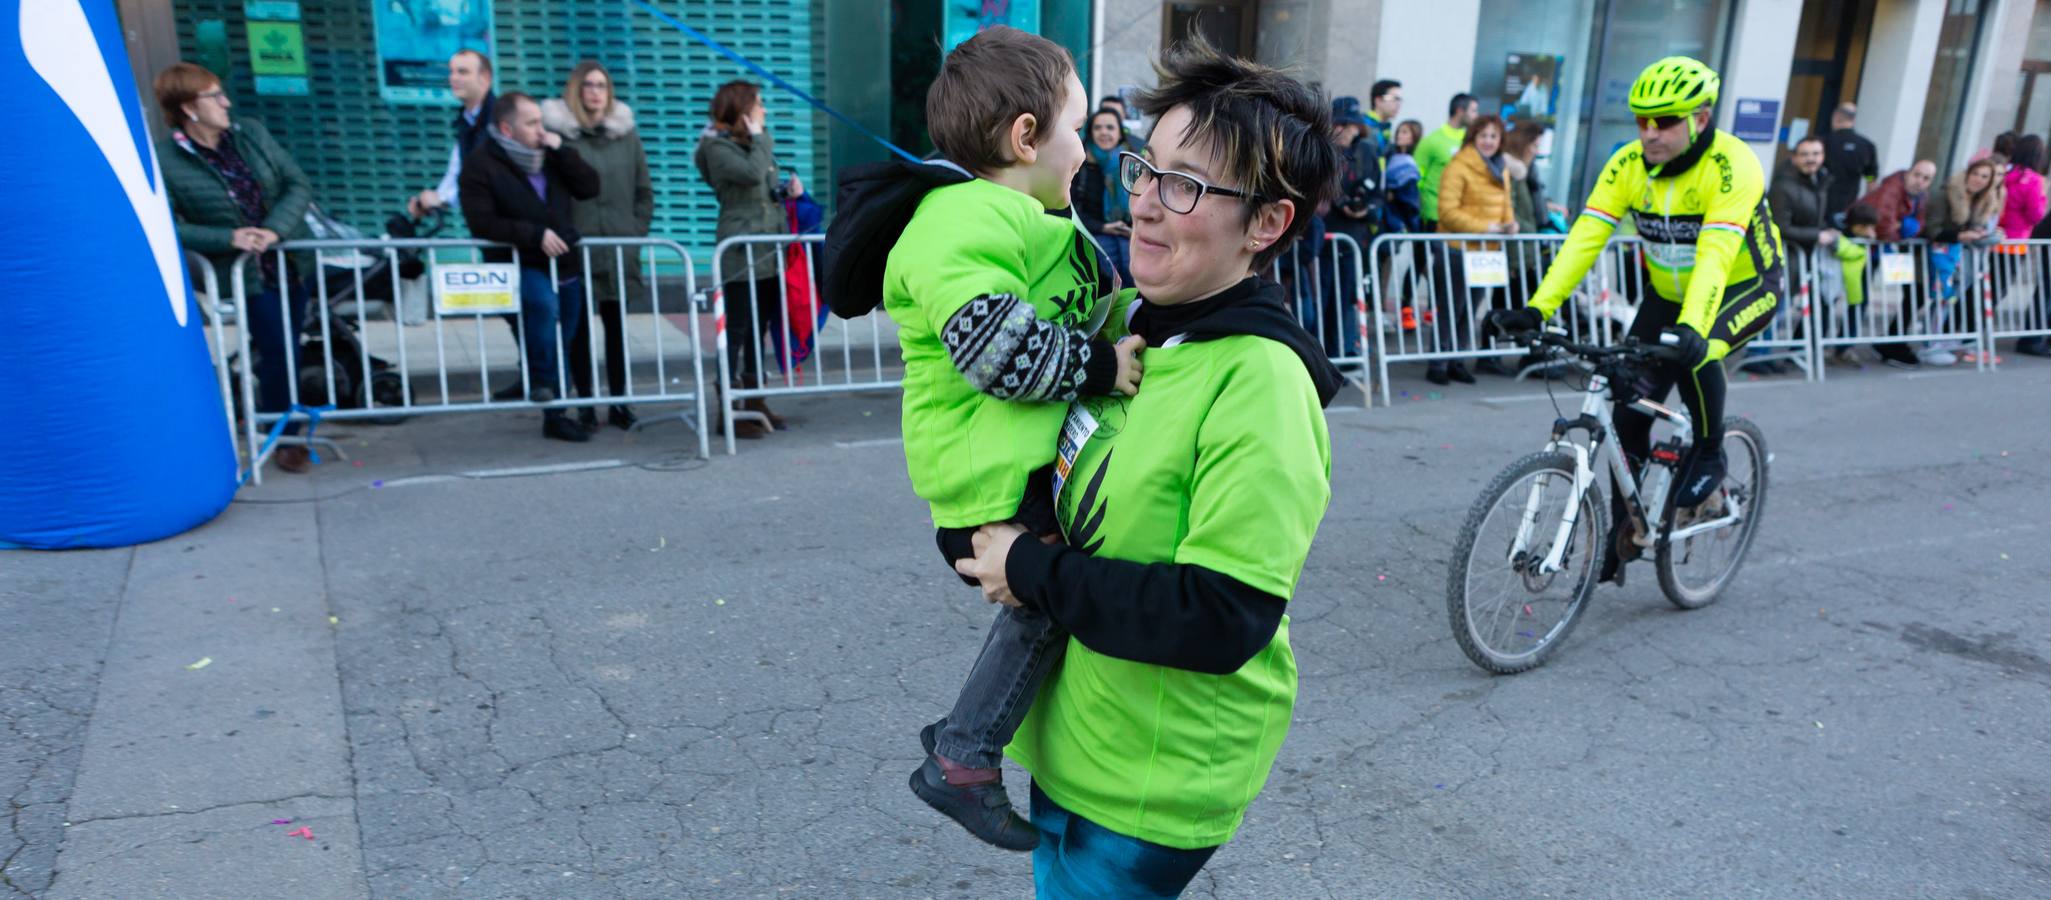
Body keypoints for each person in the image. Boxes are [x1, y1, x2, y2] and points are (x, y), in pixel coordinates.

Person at [950, 38, 1342, 897]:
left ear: (1267, 225)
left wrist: (1028, 567)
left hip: (1149, 784)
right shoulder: (1121, 314)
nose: (1145, 205)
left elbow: (1220, 616)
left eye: (1187, 185)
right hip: (1069, 743)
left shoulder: (1260, 382)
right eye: (1143, 169)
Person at [826, 26, 1142, 853]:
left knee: (1054, 603)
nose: (1089, 146)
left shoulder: (1027, 215)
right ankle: (963, 756)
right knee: (1045, 601)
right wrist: (1103, 366)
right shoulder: (959, 218)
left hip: (1024, 467)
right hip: (989, 482)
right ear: (1026, 137)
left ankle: (962, 730)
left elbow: (1076, 302)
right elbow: (997, 351)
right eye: (1077, 128)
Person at [1488, 56, 1784, 587]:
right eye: (1641, 121)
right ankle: (1629, 526)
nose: (1650, 133)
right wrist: (1538, 308)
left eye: (1665, 121)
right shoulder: (1627, 165)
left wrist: (1695, 327)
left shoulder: (1731, 165)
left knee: (1701, 350)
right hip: (1667, 292)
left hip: (1741, 286)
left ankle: (1712, 451)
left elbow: (1716, 255)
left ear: (1701, 116)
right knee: (1625, 413)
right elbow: (1584, 238)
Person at [155, 63, 315, 473]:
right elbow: (169, 224)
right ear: (190, 108)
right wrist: (230, 238)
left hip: (287, 259)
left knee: (288, 347)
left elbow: (297, 183)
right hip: (242, 272)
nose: (226, 103)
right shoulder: (167, 160)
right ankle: (288, 435)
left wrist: (273, 231)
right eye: (215, 96)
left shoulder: (251, 134)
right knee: (278, 349)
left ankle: (274, 417)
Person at [458, 91, 602, 442]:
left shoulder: (550, 156)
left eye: (541, 121)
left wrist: (560, 150)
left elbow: (589, 187)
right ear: (507, 129)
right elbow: (481, 222)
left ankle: (555, 415)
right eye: (532, 123)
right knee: (541, 305)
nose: (541, 129)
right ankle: (540, 379)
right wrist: (533, 234)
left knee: (564, 339)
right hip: (521, 260)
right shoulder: (481, 164)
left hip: (563, 261)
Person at [541, 60, 653, 432]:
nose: (595, 92)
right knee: (577, 333)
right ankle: (587, 403)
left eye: (602, 85)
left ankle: (621, 403)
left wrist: (635, 232)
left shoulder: (626, 134)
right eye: (588, 85)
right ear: (576, 89)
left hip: (619, 246)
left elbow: (643, 191)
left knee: (616, 331)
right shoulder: (559, 137)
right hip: (577, 247)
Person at [697, 81, 802, 438]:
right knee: (737, 332)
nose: (765, 110)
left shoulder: (752, 143)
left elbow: (761, 185)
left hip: (768, 250)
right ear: (742, 109)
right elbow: (749, 174)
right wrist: (761, 138)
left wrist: (786, 191)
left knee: (760, 331)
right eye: (759, 104)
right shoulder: (715, 147)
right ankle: (727, 410)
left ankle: (755, 403)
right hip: (740, 252)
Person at [1432, 114, 1516, 383]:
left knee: (1470, 310)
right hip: (1456, 249)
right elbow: (1447, 211)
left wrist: (1509, 224)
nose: (1489, 141)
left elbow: (1506, 206)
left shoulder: (1501, 167)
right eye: (1484, 136)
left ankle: (1457, 360)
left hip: (1485, 252)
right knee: (1450, 309)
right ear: (1473, 138)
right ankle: (1439, 363)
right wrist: (1486, 227)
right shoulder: (1458, 166)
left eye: (1494, 136)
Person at [1917, 158, 2005, 366]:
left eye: (1985, 177)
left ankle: (1936, 340)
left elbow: (1974, 227)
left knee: (1950, 300)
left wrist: (1985, 234)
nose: (1979, 180)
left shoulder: (1983, 200)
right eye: (1976, 174)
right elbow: (1933, 229)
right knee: (1938, 298)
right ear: (1967, 173)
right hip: (1939, 254)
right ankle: (1929, 345)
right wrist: (1961, 236)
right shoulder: (1946, 193)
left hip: (1959, 258)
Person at [1853, 160, 1937, 367]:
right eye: (1917, 175)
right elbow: (1883, 223)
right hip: (1871, 247)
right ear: (1908, 173)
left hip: (1890, 247)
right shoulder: (1892, 188)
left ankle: (1891, 341)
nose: (1920, 181)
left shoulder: (1921, 196)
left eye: (1926, 178)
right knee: (1856, 297)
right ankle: (1841, 346)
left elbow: (1920, 223)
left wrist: (1907, 227)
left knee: (1913, 294)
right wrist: (1901, 231)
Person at [407, 49, 495, 221]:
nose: (453, 78)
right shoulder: (467, 121)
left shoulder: (498, 120)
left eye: (463, 72)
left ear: (485, 78)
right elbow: (457, 171)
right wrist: (435, 199)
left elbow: (482, 174)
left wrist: (441, 199)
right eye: (452, 72)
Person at [1072, 108, 1141, 285]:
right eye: (1098, 128)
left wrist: (1134, 229)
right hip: (1094, 233)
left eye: (1110, 127)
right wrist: (1104, 227)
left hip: (1129, 233)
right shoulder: (1080, 164)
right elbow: (1072, 210)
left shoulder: (1133, 165)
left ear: (1119, 133)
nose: (1104, 132)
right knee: (1108, 270)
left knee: (1132, 265)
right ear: (1091, 132)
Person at [2002, 136, 2051, 356]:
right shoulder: (2031, 180)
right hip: (2020, 238)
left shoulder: (2007, 173)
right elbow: (2036, 213)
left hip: (2008, 237)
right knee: (2045, 293)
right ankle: (2032, 338)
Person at [1417, 93, 1478, 230]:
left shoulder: (1472, 142)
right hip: (1433, 216)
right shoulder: (1432, 141)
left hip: (1461, 216)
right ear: (1460, 111)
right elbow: (1417, 178)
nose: (1476, 116)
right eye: (1473, 111)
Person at [1822, 102, 1878, 216]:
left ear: (1836, 116)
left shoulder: (1823, 142)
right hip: (1849, 204)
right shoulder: (1867, 146)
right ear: (1853, 119)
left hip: (1822, 200)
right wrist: (1866, 205)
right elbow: (1871, 178)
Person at [1367, 79, 1403, 158]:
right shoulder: (1365, 126)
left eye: (1400, 100)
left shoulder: (1384, 128)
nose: (1398, 104)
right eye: (1395, 99)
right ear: (1378, 100)